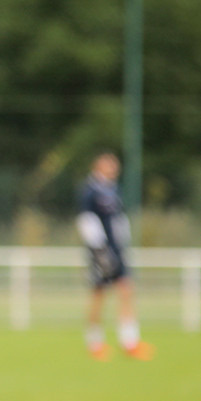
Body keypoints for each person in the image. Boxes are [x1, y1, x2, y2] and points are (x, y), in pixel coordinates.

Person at [76, 151, 154, 360]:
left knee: (126, 290)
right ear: (98, 167)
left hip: (118, 250)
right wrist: (99, 250)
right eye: (109, 166)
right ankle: (94, 343)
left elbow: (119, 220)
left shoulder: (114, 190)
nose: (114, 169)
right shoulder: (89, 191)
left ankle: (129, 342)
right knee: (98, 294)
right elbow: (86, 221)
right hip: (100, 251)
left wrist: (123, 244)